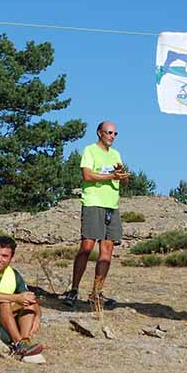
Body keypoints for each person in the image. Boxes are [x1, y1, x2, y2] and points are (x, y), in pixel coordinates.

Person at [63, 121, 130, 307]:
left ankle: (96, 292)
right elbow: (87, 175)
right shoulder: (90, 150)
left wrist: (122, 176)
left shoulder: (116, 154)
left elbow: (123, 182)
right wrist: (111, 176)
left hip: (112, 206)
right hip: (93, 203)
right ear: (100, 133)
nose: (112, 136)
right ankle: (74, 289)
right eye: (109, 132)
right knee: (86, 247)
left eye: (115, 133)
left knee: (107, 251)